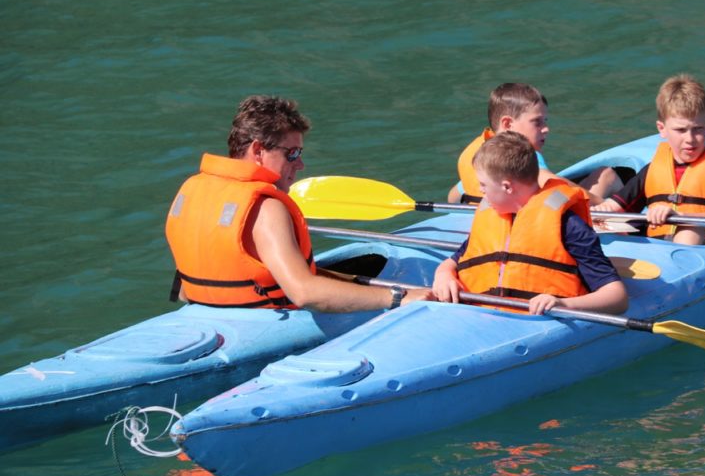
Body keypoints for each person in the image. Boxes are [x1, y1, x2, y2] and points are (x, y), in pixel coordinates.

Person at [165, 95, 434, 311]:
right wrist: (398, 298)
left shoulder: (191, 189)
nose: (301, 164)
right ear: (258, 150)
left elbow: (184, 291)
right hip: (264, 323)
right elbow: (304, 292)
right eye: (292, 153)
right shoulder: (266, 208)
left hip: (203, 311)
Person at [434, 132, 629, 316]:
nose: (480, 191)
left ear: (507, 187)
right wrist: (443, 276)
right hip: (479, 317)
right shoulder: (493, 219)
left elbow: (617, 296)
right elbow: (452, 262)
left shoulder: (567, 225)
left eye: (483, 185)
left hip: (534, 321)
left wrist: (563, 304)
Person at [593, 74, 705, 245]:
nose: (690, 139)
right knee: (601, 221)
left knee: (689, 229)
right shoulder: (653, 170)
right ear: (662, 129)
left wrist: (679, 216)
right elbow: (614, 208)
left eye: (698, 129)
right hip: (656, 249)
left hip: (704, 247)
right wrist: (597, 211)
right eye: (681, 130)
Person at [446, 82, 621, 205]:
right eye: (537, 122)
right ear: (507, 124)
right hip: (530, 223)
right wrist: (604, 204)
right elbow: (551, 181)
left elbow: (453, 196)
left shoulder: (479, 155)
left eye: (545, 121)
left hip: (488, 222)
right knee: (606, 175)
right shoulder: (523, 155)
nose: (546, 129)